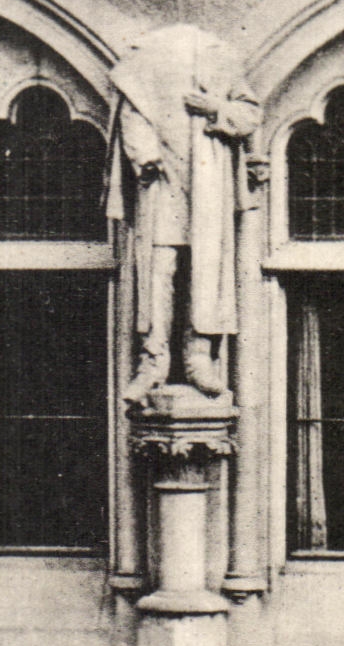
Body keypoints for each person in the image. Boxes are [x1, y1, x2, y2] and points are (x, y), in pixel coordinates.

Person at [106, 25, 261, 403]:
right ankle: (153, 359)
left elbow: (249, 113)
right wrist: (144, 155)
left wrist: (217, 109)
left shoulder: (222, 58)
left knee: (206, 268)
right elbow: (134, 112)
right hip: (162, 183)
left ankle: (199, 357)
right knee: (159, 268)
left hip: (208, 184)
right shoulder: (143, 61)